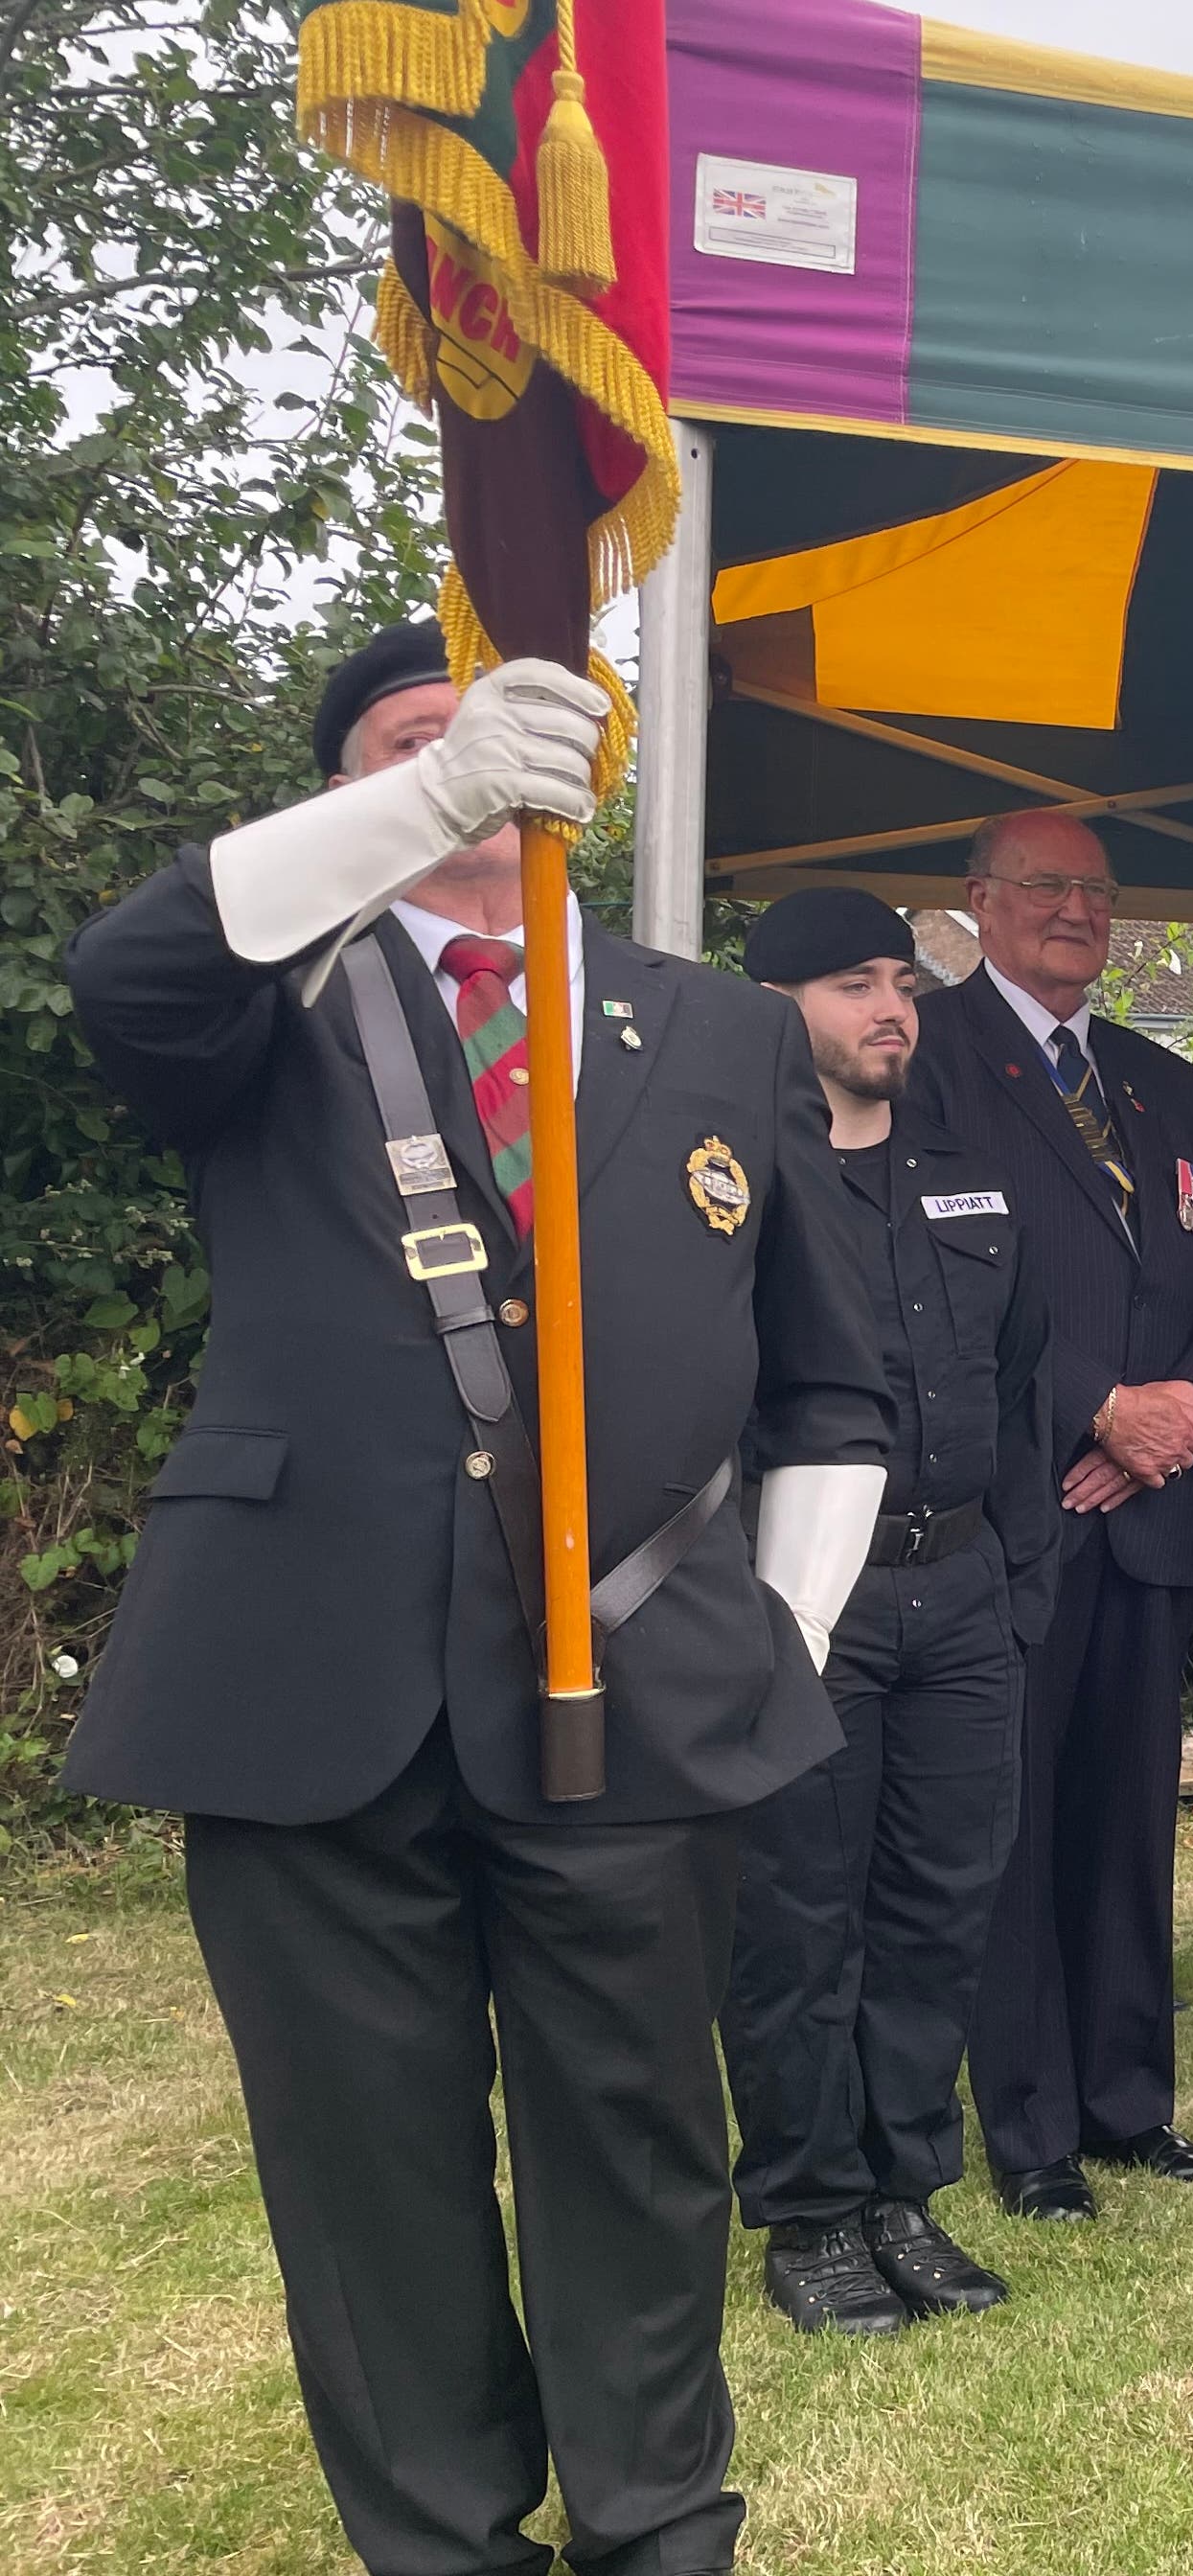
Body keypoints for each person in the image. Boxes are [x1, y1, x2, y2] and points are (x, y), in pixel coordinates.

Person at [59, 625, 890, 2573]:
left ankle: (658, 2530)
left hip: (642, 1682)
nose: (470, 766)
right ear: (343, 789)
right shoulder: (266, 1004)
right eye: (412, 743)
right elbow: (125, 970)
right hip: (305, 1685)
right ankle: (439, 2544)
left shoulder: (726, 1028)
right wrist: (425, 795)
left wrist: (783, 1632)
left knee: (641, 2153)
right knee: (369, 2176)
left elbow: (830, 1382)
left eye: (493, 739)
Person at [908, 810, 1193, 2220]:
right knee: (1018, 1827)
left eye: (1096, 890)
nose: (1075, 909)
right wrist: (1093, 1407)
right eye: (1045, 885)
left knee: (1129, 1823)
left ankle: (1129, 2104)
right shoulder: (927, 1056)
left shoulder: (1166, 1082)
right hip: (1017, 1502)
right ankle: (1034, 2131)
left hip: (1151, 1513)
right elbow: (926, 1268)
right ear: (978, 902)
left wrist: (1180, 1414)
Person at [722, 887, 1059, 2334]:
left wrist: (1018, 1574)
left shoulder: (965, 1170)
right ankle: (810, 2211)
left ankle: (904, 2196)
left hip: (963, 1586)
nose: (893, 1009)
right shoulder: (730, 1183)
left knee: (938, 1904)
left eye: (904, 983)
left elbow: (1028, 1383)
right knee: (803, 1914)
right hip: (811, 1598)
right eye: (856, 982)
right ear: (778, 1005)